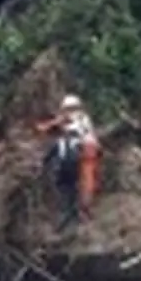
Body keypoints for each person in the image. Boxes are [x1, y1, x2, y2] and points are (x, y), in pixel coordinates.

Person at [41, 94, 99, 231]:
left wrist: (47, 126)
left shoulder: (80, 121)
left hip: (85, 152)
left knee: (84, 183)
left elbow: (60, 125)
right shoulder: (75, 122)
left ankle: (81, 211)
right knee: (74, 184)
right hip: (80, 154)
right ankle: (76, 211)